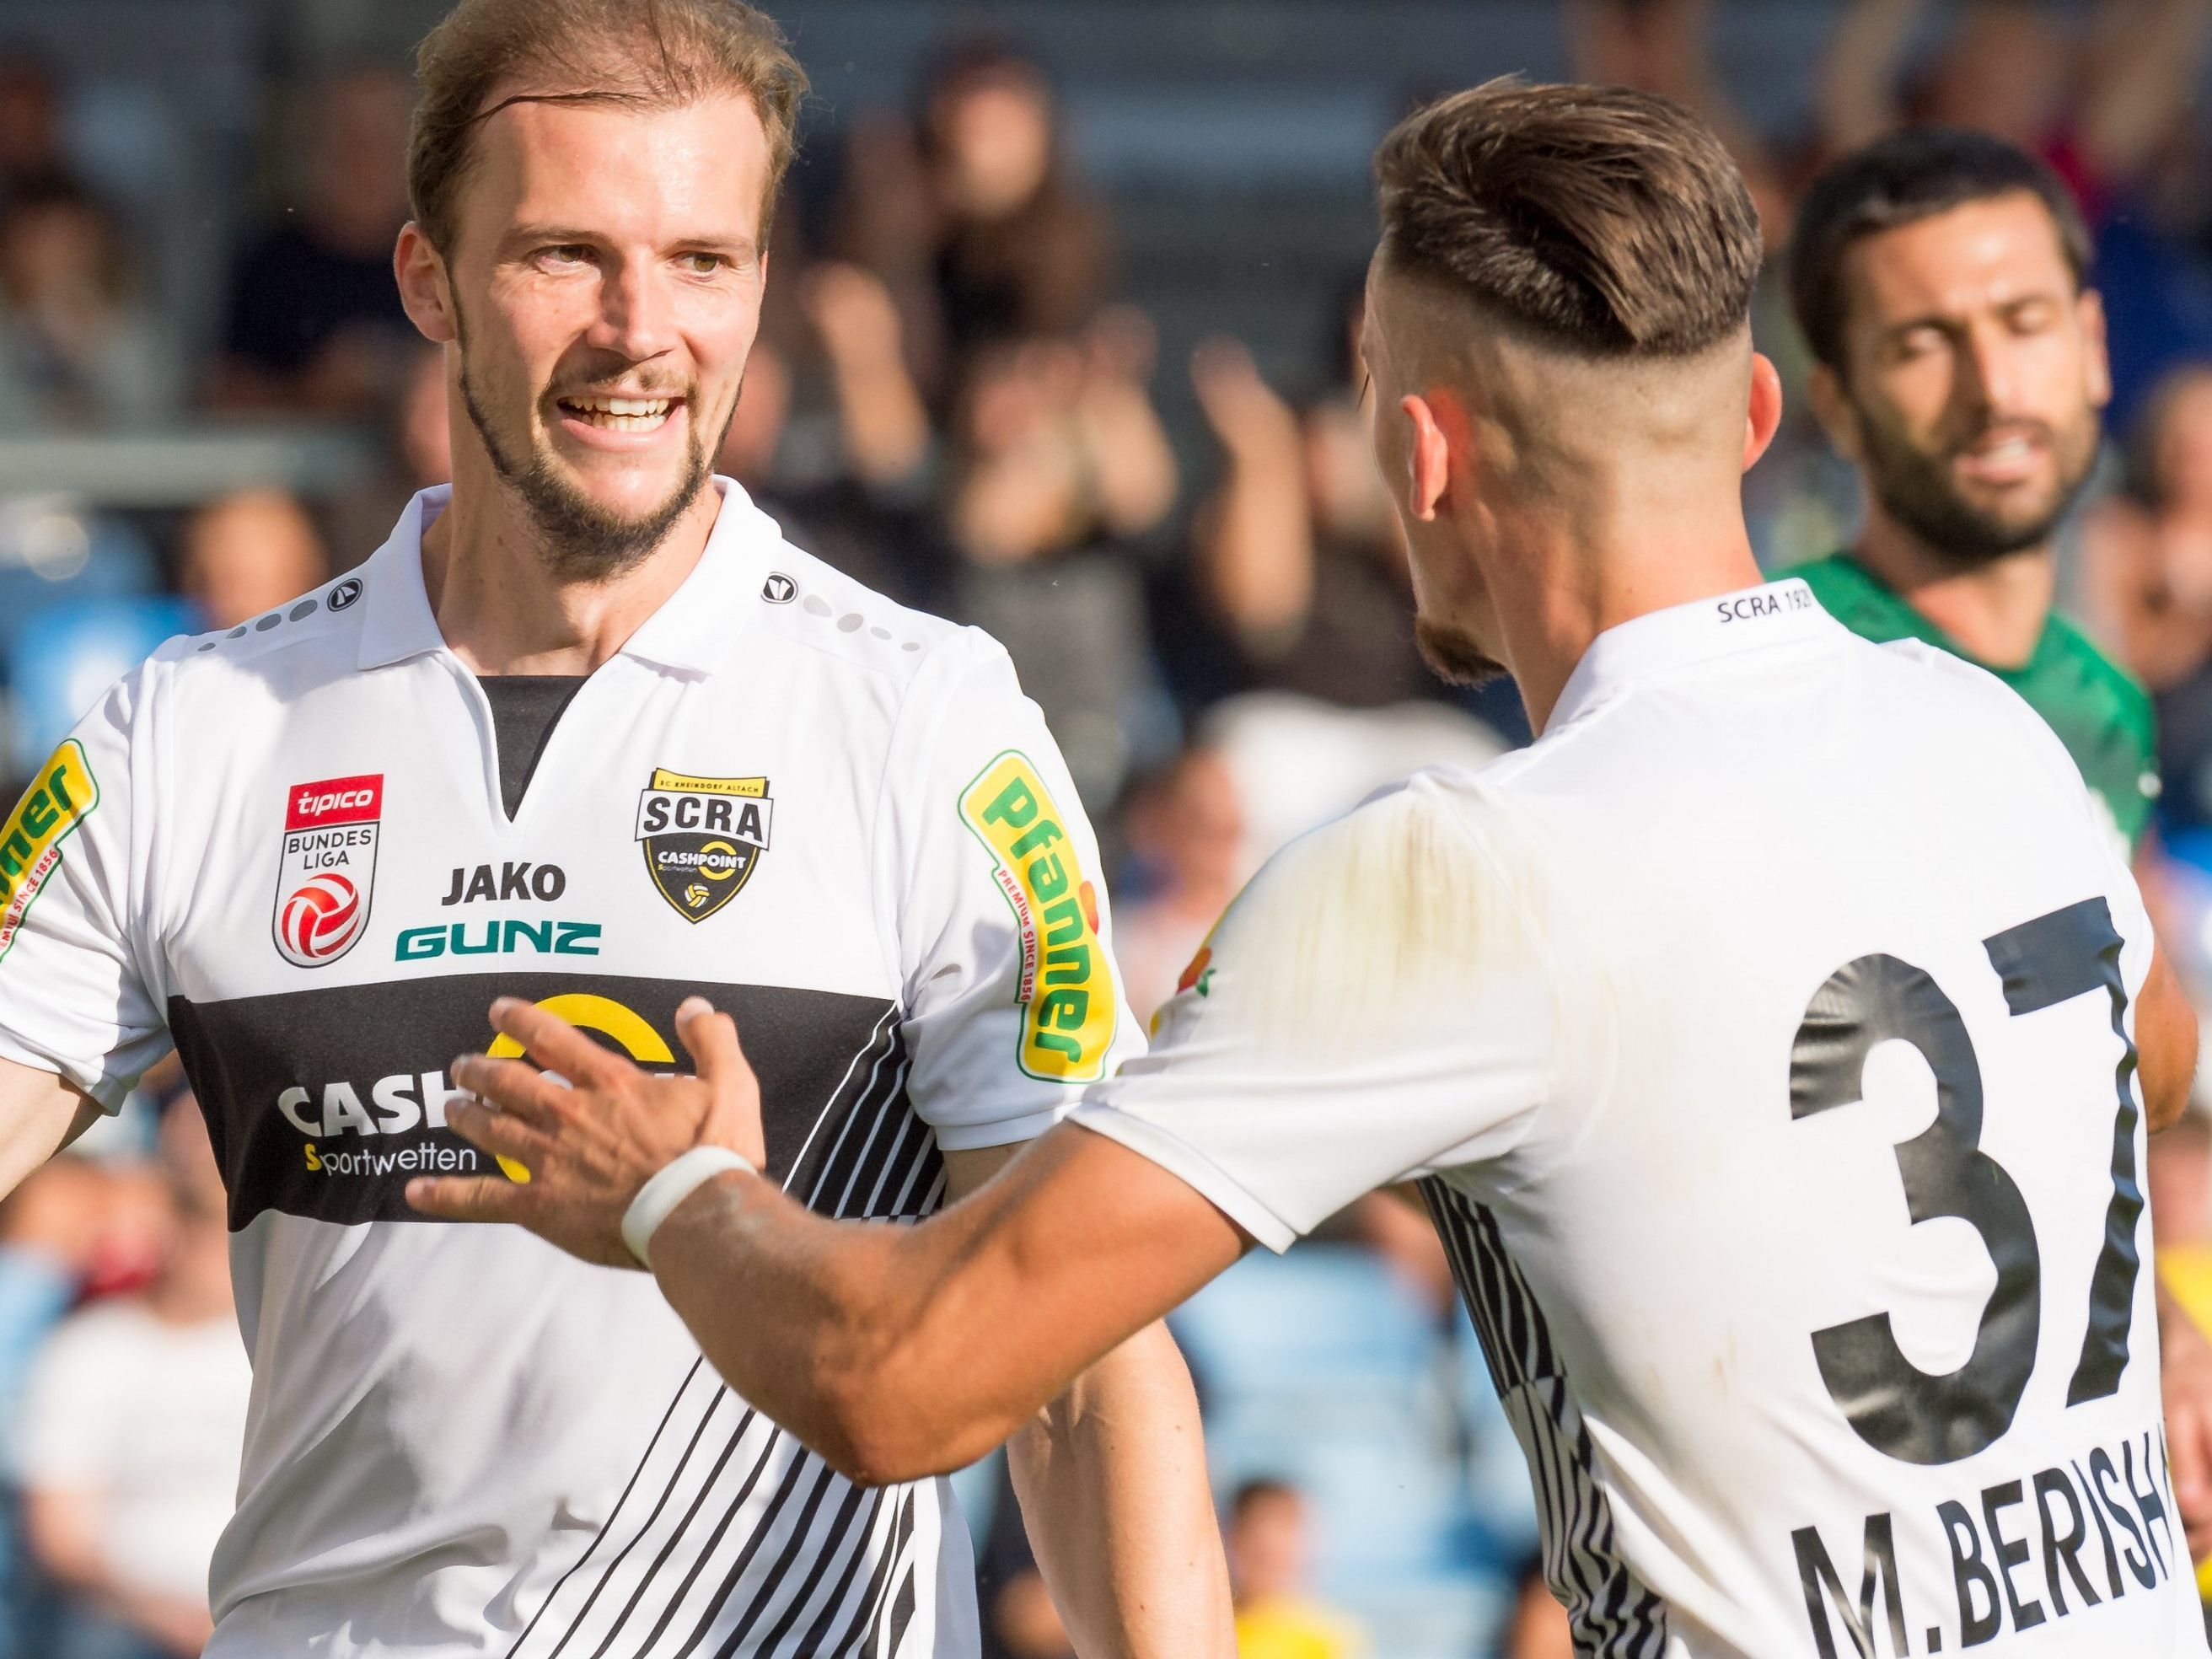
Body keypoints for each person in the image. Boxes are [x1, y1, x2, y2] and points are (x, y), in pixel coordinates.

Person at [416, 78, 2212, 1656]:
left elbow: (909, 1382)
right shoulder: (1993, 739)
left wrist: (675, 1195)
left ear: (1416, 457)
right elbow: (2141, 1060)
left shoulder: (1464, 880)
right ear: (1753, 415)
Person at [0, 1, 1229, 1655]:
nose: (641, 329)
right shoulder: (192, 735)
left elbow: (1077, 1358)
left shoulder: (928, 725)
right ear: (428, 277)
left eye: (704, 260)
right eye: (567, 255)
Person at [1777, 130, 2157, 860]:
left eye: (2025, 323)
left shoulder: (2109, 704)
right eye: (1923, 344)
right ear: (1838, 407)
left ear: (2093, 347)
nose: (1992, 388)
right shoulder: (1783, 677)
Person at [19, 1097, 249, 1659]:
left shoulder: (272, 1351)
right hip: (124, 1618)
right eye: (200, 1225)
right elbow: (60, 1538)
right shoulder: (92, 1348)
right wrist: (168, 1618)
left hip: (258, 1608)